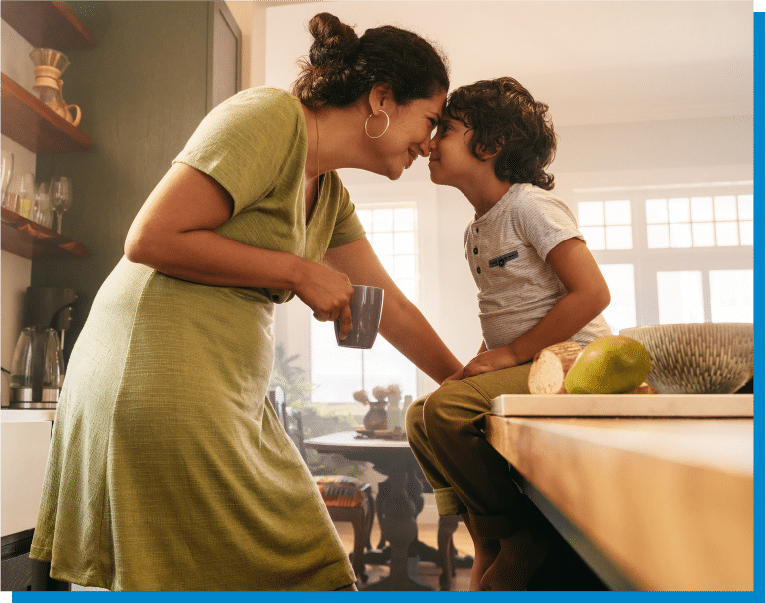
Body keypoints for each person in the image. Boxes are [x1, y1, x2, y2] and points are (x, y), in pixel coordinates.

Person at [30, 13, 462, 591]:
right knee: (299, 572)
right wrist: (299, 272)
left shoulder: (329, 191)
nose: (429, 144)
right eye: (430, 120)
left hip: (226, 391)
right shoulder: (267, 117)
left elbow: (391, 306)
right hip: (156, 372)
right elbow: (149, 239)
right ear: (381, 98)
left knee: (304, 564)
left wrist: (463, 382)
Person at [406, 77, 612, 591]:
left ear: (491, 146)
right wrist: (478, 363)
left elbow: (592, 293)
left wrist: (514, 353)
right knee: (420, 414)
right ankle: (486, 537)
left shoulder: (530, 206)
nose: (430, 142)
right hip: (525, 361)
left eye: (445, 130)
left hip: (574, 360)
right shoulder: (477, 229)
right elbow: (505, 312)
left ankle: (522, 537)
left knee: (447, 411)